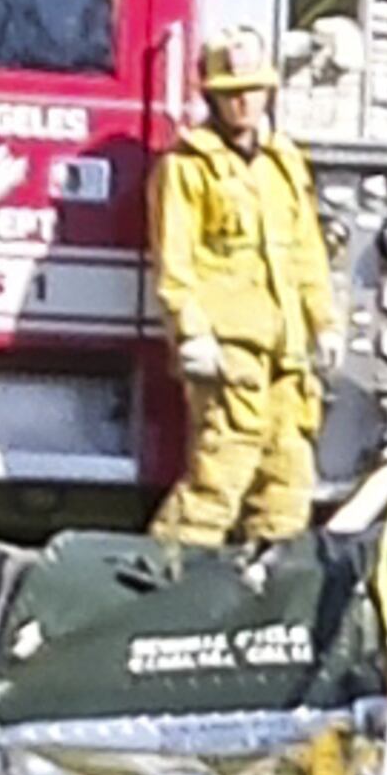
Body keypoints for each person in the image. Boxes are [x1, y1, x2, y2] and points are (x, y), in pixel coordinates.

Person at [148, 28, 335, 547]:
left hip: (288, 355)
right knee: (217, 480)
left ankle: (268, 598)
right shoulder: (187, 166)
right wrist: (191, 335)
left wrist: (325, 322)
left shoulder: (283, 161)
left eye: (254, 89)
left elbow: (306, 251)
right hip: (230, 352)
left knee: (287, 487)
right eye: (232, 92)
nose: (245, 101)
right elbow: (175, 259)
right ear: (211, 96)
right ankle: (160, 588)